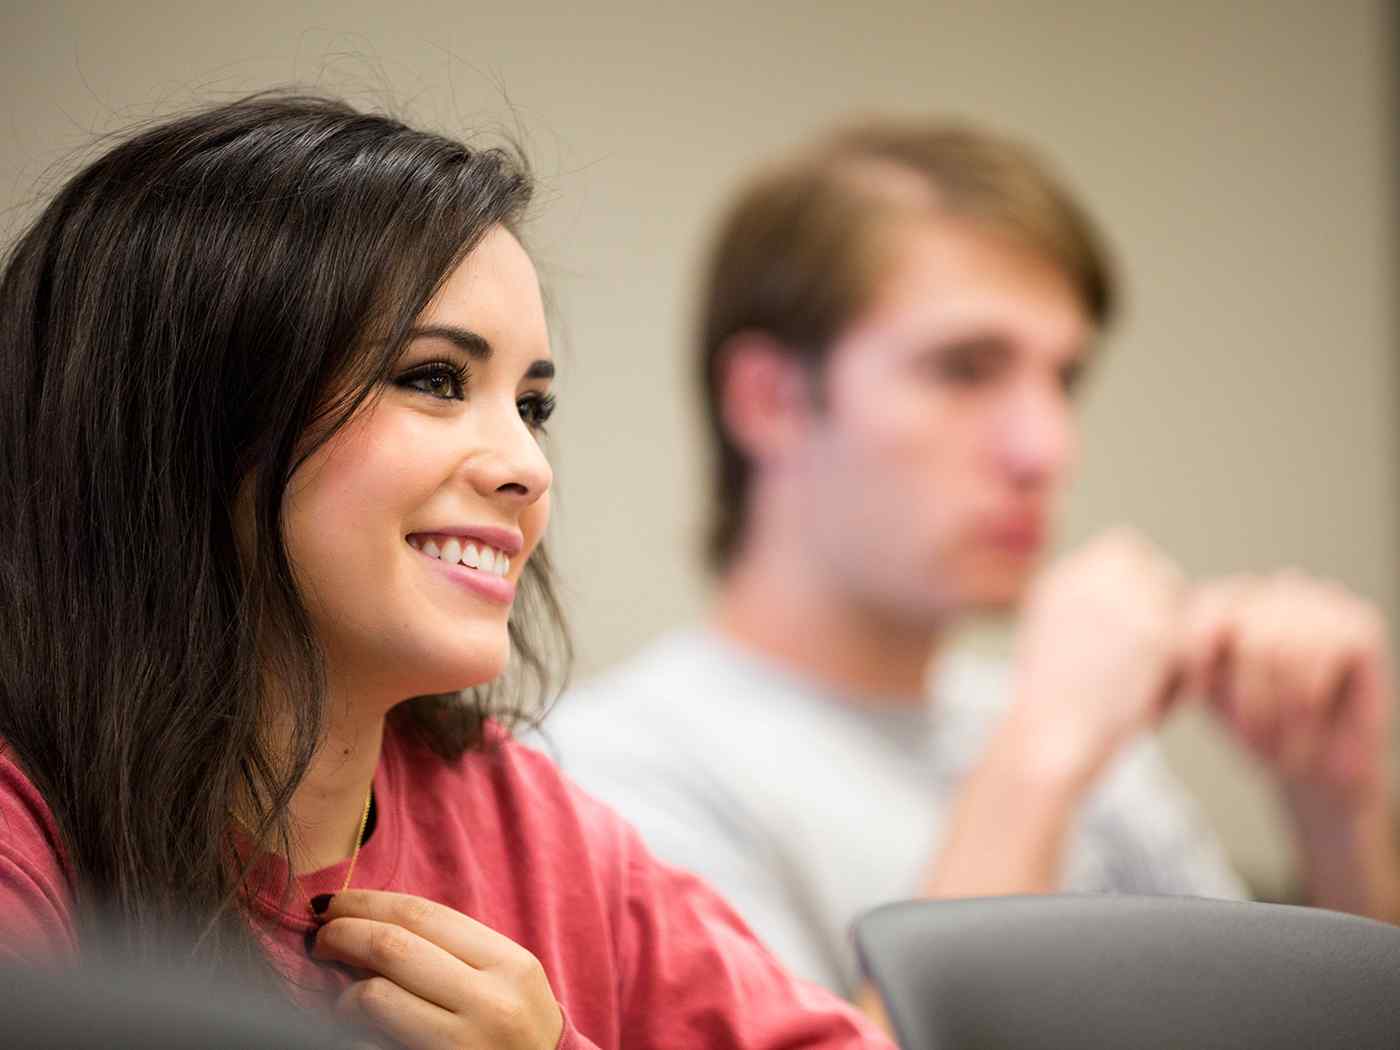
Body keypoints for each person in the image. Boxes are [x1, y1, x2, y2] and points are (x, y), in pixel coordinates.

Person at [0, 92, 894, 1050]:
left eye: (533, 405)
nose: (527, 466)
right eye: (433, 380)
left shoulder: (532, 825)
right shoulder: (26, 835)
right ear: (188, 418)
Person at [534, 119, 1400, 1000]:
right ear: (770, 401)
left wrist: (1337, 808)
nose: (1047, 446)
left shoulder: (1076, 738)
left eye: (1063, 379)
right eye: (965, 369)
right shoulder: (602, 778)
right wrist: (1041, 756)